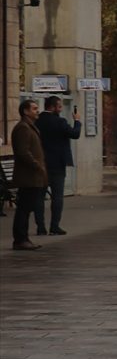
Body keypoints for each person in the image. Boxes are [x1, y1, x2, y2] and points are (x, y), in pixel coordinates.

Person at [34, 95, 81, 236]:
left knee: (39, 196)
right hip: (57, 164)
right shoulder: (59, 122)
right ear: (52, 107)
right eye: (59, 107)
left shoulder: (37, 121)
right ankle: (54, 226)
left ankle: (40, 226)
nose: (60, 109)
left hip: (40, 162)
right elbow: (75, 134)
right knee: (57, 196)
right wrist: (77, 121)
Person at [10, 99, 48, 251]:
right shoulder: (23, 128)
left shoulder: (30, 127)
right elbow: (23, 151)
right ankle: (20, 239)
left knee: (27, 208)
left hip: (33, 175)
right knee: (24, 209)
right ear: (25, 111)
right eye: (34, 108)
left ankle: (23, 238)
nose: (37, 111)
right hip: (28, 175)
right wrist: (36, 164)